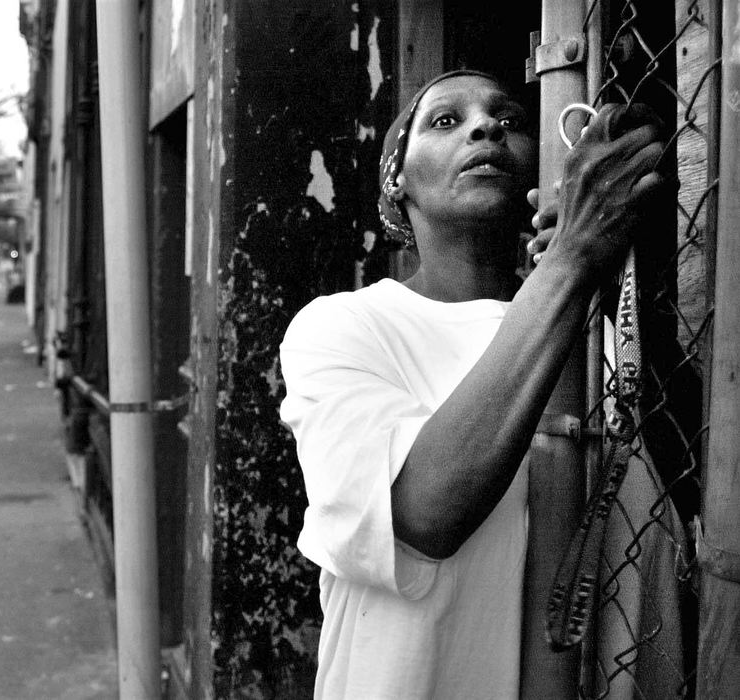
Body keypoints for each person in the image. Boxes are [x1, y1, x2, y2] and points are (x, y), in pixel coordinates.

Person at [278, 70, 666, 698]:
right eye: (445, 121)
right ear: (396, 181)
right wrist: (570, 259)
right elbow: (422, 513)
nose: (485, 127)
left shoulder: (599, 325)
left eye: (509, 121)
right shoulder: (344, 327)